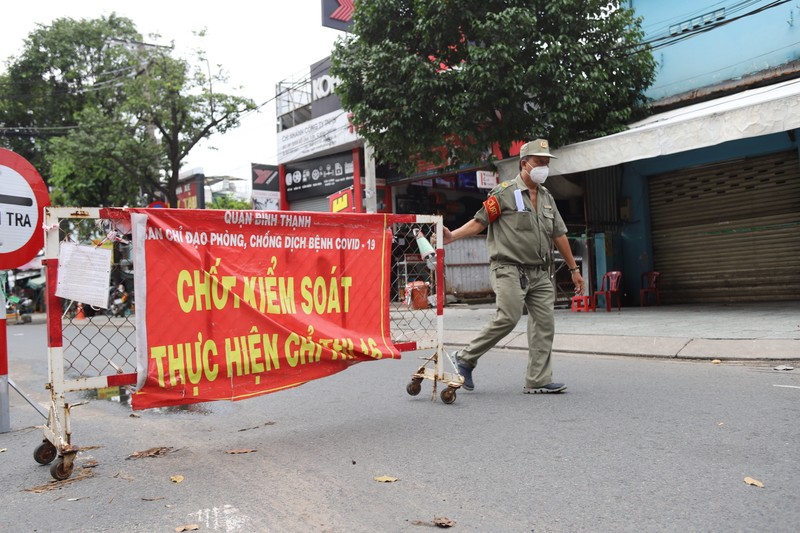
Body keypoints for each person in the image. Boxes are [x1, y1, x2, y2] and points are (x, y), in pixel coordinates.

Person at [443, 139, 584, 394]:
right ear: (524, 164)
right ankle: (465, 358)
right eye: (539, 163)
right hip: (509, 268)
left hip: (540, 273)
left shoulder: (547, 197)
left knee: (544, 323)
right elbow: (480, 221)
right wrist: (452, 236)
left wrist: (574, 270)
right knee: (508, 316)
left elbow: (559, 234)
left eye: (546, 163)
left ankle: (538, 379)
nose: (544, 167)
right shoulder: (504, 192)